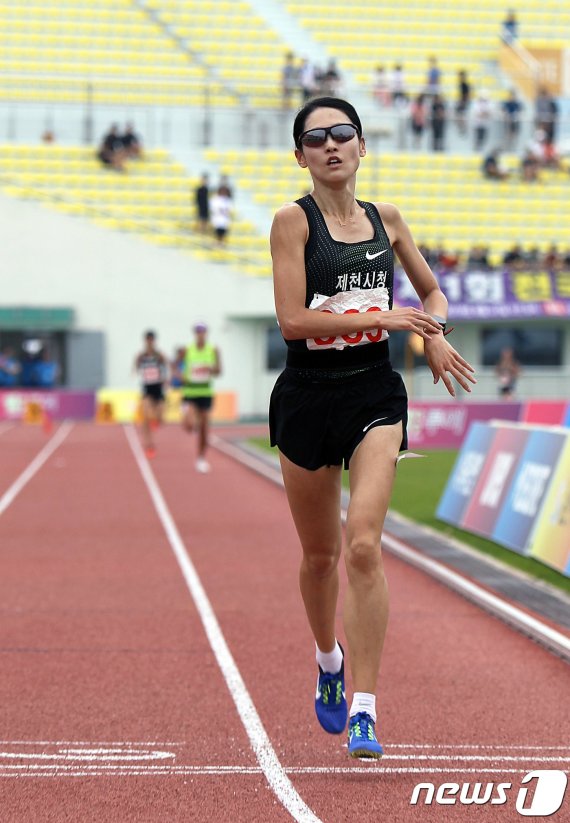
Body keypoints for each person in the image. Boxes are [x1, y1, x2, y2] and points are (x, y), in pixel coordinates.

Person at [269, 96, 476, 759]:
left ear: (362, 146)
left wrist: (431, 328)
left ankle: (365, 706)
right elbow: (293, 322)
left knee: (363, 546)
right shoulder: (291, 223)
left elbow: (432, 293)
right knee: (321, 555)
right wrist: (385, 317)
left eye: (342, 134)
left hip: (373, 395)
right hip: (306, 395)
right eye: (316, 138)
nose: (331, 145)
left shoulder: (388, 220)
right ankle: (329, 661)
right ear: (300, 155)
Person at [181, 323, 221, 474]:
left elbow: (218, 371)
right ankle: (192, 422)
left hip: (205, 392)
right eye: (198, 332)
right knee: (189, 425)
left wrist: (209, 368)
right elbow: (177, 366)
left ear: (206, 333)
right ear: (194, 334)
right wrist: (181, 375)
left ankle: (201, 458)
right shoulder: (188, 350)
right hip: (190, 392)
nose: (200, 334)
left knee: (205, 428)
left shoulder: (213, 350)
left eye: (203, 332)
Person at [134, 331, 168, 458]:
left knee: (160, 418)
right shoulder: (141, 356)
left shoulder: (159, 355)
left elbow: (165, 367)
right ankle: (149, 446)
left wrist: (165, 379)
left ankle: (156, 422)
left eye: (151, 340)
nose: (149, 342)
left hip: (158, 389)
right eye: (147, 340)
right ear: (145, 341)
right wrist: (138, 363)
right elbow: (136, 368)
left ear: (154, 341)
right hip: (147, 389)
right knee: (146, 417)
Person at [455, 70, 471, 135]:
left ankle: (463, 128)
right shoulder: (461, 84)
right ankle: (461, 127)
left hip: (464, 102)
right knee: (459, 115)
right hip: (462, 101)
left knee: (462, 115)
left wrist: (463, 102)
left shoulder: (465, 85)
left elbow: (466, 95)